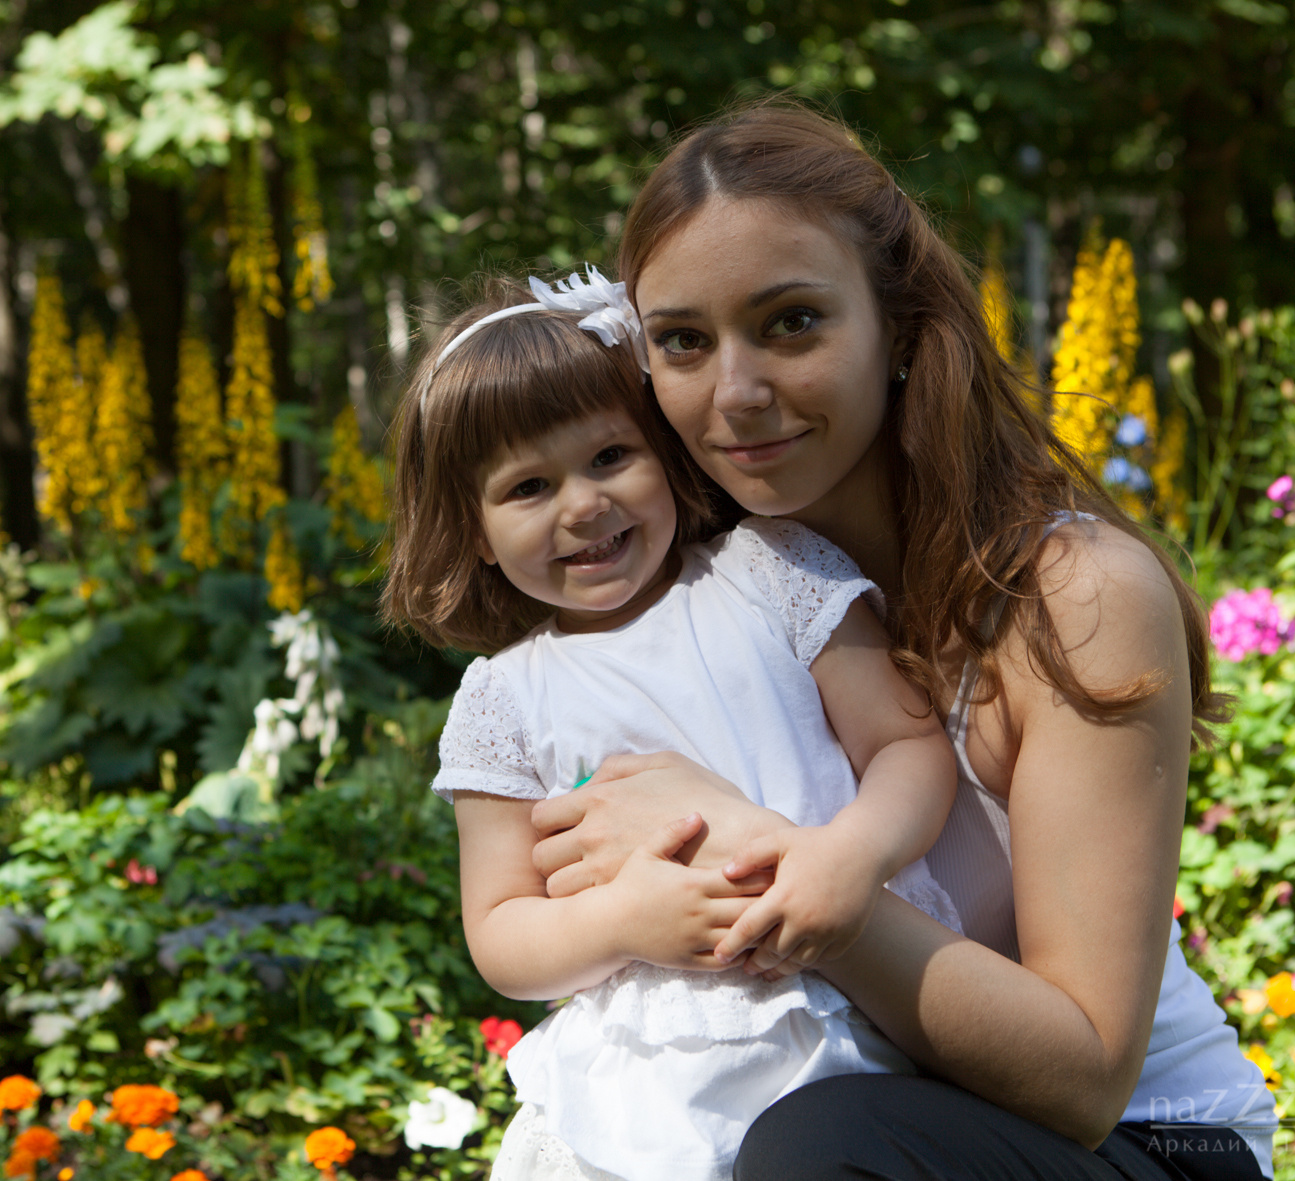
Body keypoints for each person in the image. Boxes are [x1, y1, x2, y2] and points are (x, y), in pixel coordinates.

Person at [525, 102, 1277, 1180]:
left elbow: (1083, 1075)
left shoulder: (1066, 595)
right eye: (683, 341)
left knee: (818, 1142)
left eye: (790, 322)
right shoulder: (694, 600)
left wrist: (766, 860)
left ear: (902, 329)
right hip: (849, 1110)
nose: (733, 394)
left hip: (1133, 1142)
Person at [382, 269, 963, 1181]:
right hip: (645, 1068)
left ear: (663, 449)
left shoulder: (768, 572)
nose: (583, 504)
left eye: (610, 456)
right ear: (475, 530)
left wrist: (853, 855)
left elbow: (909, 745)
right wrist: (622, 919)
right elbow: (500, 929)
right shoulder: (504, 697)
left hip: (841, 1005)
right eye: (530, 486)